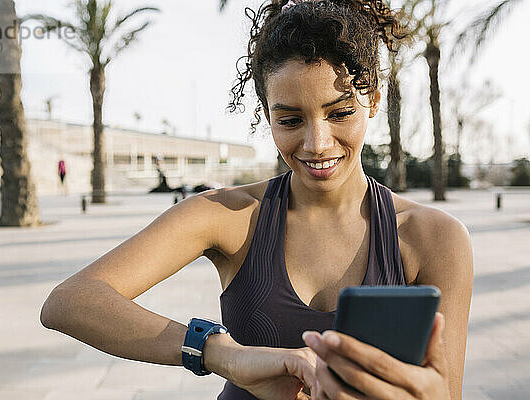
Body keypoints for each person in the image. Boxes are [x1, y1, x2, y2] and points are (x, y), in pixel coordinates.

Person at [39, 1, 473, 399]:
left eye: (340, 113)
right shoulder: (231, 216)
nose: (317, 142)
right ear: (267, 114)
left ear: (373, 100)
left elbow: (446, 393)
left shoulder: (434, 238)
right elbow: (70, 301)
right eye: (290, 119)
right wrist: (220, 353)